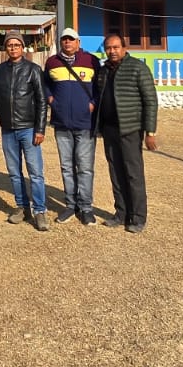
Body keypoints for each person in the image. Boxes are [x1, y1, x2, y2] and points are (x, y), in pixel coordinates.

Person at [93, 33, 159, 233]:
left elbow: (150, 101)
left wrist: (150, 132)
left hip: (130, 130)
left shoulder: (138, 68)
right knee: (115, 172)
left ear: (123, 48)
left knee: (133, 174)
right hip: (109, 130)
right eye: (108, 48)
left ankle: (138, 217)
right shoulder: (104, 71)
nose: (112, 51)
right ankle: (121, 213)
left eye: (115, 47)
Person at [0, 33, 49, 230]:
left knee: (35, 173)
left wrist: (40, 129)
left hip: (29, 129)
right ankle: (22, 207)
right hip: (7, 130)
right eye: (10, 45)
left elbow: (41, 101)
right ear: (5, 48)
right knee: (14, 173)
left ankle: (39, 210)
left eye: (17, 45)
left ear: (23, 47)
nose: (13, 48)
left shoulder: (33, 70)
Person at [44, 27, 101, 226]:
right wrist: (51, 100)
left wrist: (92, 103)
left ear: (78, 42)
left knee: (85, 168)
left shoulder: (91, 60)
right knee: (66, 167)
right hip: (62, 124)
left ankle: (86, 207)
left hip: (85, 123)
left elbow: (100, 86)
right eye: (64, 40)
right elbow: (45, 85)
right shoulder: (52, 62)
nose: (67, 43)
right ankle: (70, 204)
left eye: (71, 39)